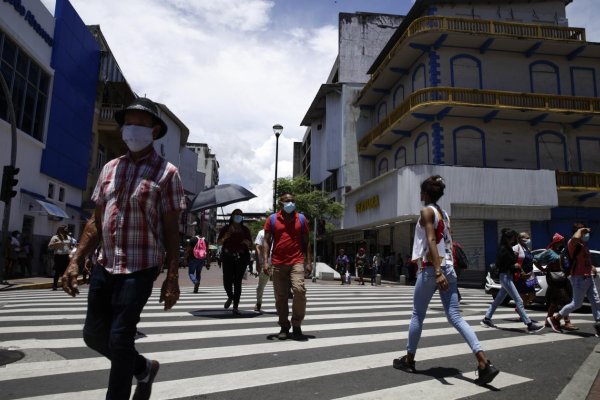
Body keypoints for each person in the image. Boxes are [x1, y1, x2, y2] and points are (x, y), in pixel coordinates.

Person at [61, 97, 186, 400]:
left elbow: (172, 230)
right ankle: (143, 368)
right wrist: (76, 260)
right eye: (128, 123)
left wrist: (172, 278)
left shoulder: (167, 173)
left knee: (120, 339)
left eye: (140, 124)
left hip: (140, 267)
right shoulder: (109, 169)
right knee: (93, 335)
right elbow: (95, 220)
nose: (132, 130)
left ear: (154, 131)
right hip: (106, 264)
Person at [393, 175, 499, 385]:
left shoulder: (426, 211)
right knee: (456, 317)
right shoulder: (444, 214)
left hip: (433, 269)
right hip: (449, 268)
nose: (419, 195)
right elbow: (447, 241)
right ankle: (484, 362)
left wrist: (437, 270)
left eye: (421, 191)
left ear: (425, 194)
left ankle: (409, 359)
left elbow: (432, 239)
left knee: (417, 314)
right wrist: (444, 270)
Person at [263, 192, 312, 340]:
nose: (290, 203)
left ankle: (296, 324)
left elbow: (307, 241)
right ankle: (284, 326)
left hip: (297, 261)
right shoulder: (272, 219)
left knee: (299, 290)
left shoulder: (302, 219)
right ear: (281, 203)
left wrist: (309, 262)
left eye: (292, 200)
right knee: (281, 297)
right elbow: (267, 241)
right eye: (287, 201)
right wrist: (265, 261)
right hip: (278, 262)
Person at [481, 228, 544, 333]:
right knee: (519, 300)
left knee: (498, 300)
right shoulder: (505, 249)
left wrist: (518, 268)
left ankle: (487, 319)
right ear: (508, 238)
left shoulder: (515, 248)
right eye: (513, 237)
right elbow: (501, 264)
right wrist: (514, 266)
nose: (515, 238)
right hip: (507, 276)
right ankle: (529, 324)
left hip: (517, 276)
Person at [547, 223, 600, 336]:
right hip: (578, 278)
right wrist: (582, 229)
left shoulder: (583, 244)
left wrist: (592, 267)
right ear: (579, 232)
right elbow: (575, 237)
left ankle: (599, 323)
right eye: (584, 232)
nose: (586, 234)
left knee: (596, 301)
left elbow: (584, 260)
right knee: (577, 303)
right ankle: (555, 318)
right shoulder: (572, 243)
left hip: (588, 277)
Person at [536, 233, 577, 331]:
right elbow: (535, 259)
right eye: (560, 242)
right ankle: (567, 322)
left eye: (563, 241)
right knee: (564, 299)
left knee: (555, 301)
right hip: (554, 278)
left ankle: (548, 320)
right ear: (556, 242)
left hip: (562, 277)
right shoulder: (549, 252)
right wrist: (542, 269)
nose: (562, 243)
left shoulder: (561, 252)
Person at [217, 209, 252, 315]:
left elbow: (250, 244)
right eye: (236, 214)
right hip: (227, 257)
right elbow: (219, 242)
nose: (238, 216)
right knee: (227, 280)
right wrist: (225, 237)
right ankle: (230, 296)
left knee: (238, 282)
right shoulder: (225, 229)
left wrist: (247, 242)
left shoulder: (245, 229)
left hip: (242, 257)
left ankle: (235, 306)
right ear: (232, 216)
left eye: (240, 215)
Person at [512, 232, 538, 312]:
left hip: (530, 275)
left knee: (532, 294)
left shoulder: (527, 249)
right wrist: (522, 272)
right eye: (527, 238)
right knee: (522, 294)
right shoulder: (516, 248)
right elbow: (514, 261)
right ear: (520, 239)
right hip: (521, 275)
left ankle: (520, 308)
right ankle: (521, 312)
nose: (529, 239)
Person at [48, 226, 71, 291]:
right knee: (57, 272)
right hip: (58, 256)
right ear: (61, 230)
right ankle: (55, 285)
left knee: (65, 272)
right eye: (65, 229)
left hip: (66, 256)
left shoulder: (68, 237)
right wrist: (57, 243)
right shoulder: (55, 237)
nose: (66, 230)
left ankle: (64, 285)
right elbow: (50, 246)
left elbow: (69, 247)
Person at [254, 228, 268, 312]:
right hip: (264, 263)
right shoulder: (261, 233)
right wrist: (258, 262)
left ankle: (280, 305)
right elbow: (257, 247)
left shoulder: (280, 231)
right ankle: (258, 302)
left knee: (279, 286)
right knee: (261, 286)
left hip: (277, 262)